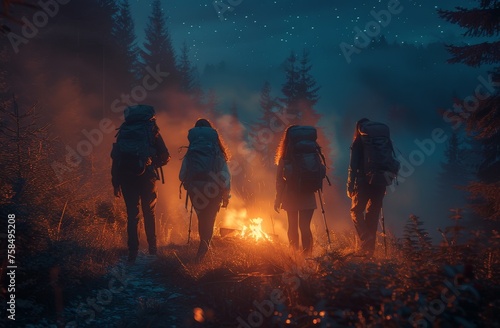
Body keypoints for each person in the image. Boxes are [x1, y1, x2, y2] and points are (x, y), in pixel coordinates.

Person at [111, 105, 170, 263]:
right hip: (147, 176)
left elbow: (116, 158)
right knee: (149, 212)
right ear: (150, 116)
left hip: (125, 176)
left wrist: (115, 183)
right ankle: (152, 249)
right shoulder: (151, 130)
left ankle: (132, 252)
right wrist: (151, 163)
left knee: (132, 214)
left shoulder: (124, 130)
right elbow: (165, 155)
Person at [179, 118, 231, 262]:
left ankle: (204, 249)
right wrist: (226, 195)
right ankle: (202, 253)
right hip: (214, 190)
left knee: (202, 219)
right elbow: (225, 175)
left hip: (195, 189)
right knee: (210, 220)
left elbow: (181, 175)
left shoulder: (191, 152)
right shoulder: (217, 152)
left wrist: (190, 183)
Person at [347, 118, 388, 257]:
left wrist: (350, 186)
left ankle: (365, 239)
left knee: (355, 211)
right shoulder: (382, 142)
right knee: (373, 215)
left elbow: (352, 167)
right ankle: (369, 253)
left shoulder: (358, 142)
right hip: (380, 182)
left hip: (363, 182)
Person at [274, 125, 317, 255]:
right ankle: (308, 257)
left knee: (292, 226)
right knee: (305, 227)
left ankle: (294, 256)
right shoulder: (313, 153)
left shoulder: (286, 156)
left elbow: (280, 181)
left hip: (291, 195)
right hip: (308, 194)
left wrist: (278, 199)